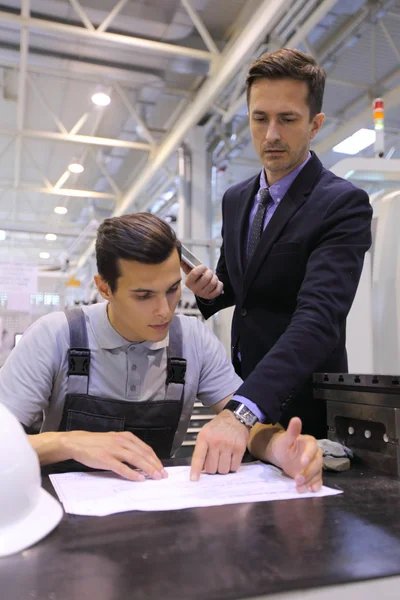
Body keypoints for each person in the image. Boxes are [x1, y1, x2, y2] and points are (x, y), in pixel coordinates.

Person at [0, 213, 322, 491]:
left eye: (172, 290)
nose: (163, 311)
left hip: (158, 521)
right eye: (143, 296)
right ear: (104, 287)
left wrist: (281, 448)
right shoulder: (56, 337)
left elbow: (246, 426)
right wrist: (66, 442)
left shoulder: (193, 340)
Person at [184, 48, 373, 439]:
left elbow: (319, 320)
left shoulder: (341, 204)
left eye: (287, 119)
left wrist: (245, 409)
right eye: (260, 118)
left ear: (315, 124)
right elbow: (239, 285)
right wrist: (208, 293)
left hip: (302, 408)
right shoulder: (237, 199)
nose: (271, 134)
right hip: (239, 391)